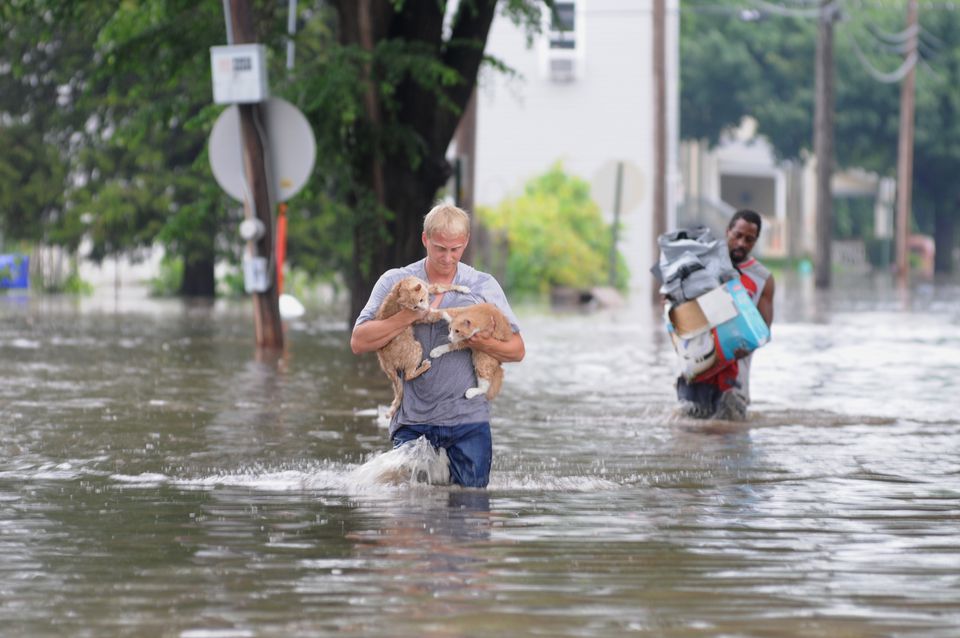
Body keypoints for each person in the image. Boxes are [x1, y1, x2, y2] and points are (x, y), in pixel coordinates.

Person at [350, 203, 525, 488]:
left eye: (455, 249)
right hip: (413, 422)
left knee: (470, 517)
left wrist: (484, 341)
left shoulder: (482, 286)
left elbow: (517, 350)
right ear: (424, 240)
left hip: (468, 422)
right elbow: (359, 342)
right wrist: (409, 315)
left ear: (465, 243)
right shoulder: (397, 283)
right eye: (439, 248)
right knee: (408, 517)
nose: (447, 257)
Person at [676, 209, 775, 420]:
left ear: (755, 241)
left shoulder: (763, 279)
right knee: (687, 436)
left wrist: (747, 344)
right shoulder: (700, 265)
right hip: (697, 369)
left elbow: (764, 331)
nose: (741, 243)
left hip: (735, 379)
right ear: (728, 231)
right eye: (737, 235)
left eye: (749, 239)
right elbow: (672, 307)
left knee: (730, 441)